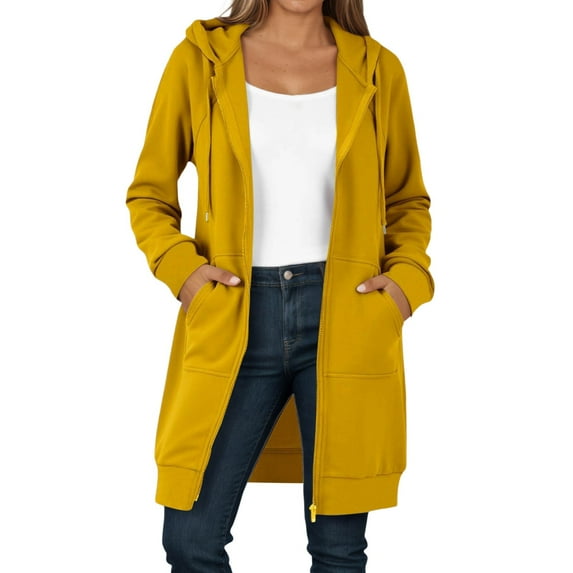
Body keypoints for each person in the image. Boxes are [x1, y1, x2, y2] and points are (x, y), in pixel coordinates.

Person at [126, 0, 434, 571]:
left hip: (348, 317)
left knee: (338, 550)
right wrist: (184, 274)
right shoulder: (200, 61)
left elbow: (408, 201)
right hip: (234, 314)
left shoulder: (377, 69)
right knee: (191, 540)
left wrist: (404, 288)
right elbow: (149, 193)